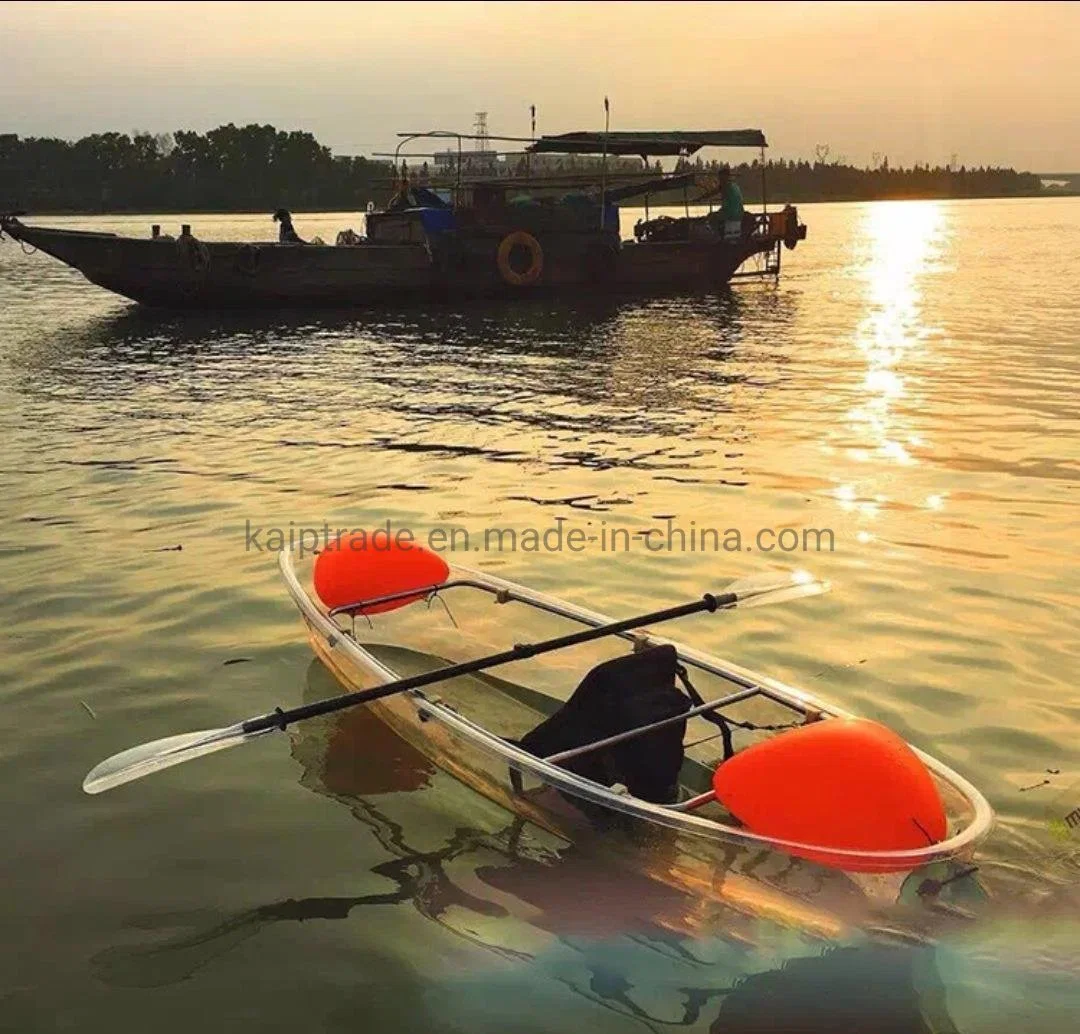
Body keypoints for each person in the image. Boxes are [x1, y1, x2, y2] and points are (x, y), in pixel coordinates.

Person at [718, 168, 744, 241]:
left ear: (726, 177)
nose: (720, 180)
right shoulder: (734, 186)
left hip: (731, 214)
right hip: (739, 213)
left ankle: (717, 237)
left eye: (721, 178)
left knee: (711, 217)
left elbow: (727, 206)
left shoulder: (727, 187)